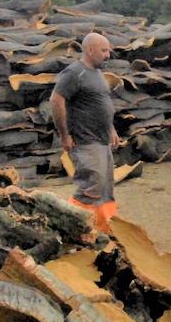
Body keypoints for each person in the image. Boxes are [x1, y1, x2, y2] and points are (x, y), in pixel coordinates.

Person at [51, 32, 120, 232]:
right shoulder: (74, 73)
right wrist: (64, 135)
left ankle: (101, 230)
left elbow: (103, 104)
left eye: (109, 50)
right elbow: (56, 101)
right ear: (90, 50)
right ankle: (69, 227)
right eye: (104, 50)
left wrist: (111, 129)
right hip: (85, 139)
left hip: (102, 139)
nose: (108, 55)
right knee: (92, 184)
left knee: (105, 186)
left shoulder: (97, 74)